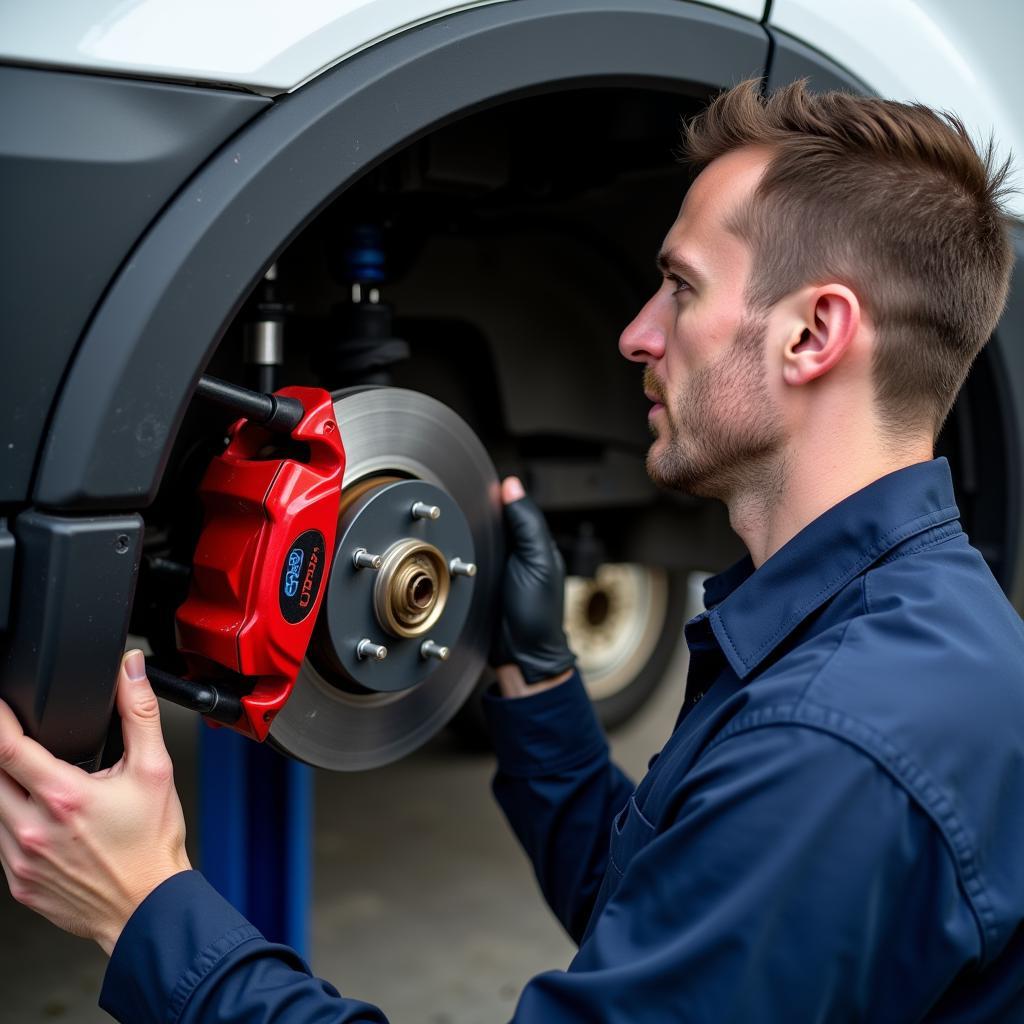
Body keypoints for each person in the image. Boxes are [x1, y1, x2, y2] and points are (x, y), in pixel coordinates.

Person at [1, 77, 1023, 1022]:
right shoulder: (902, 624)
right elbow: (661, 914)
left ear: (813, 335)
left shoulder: (836, 746)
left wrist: (145, 907)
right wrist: (535, 681)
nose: (632, 332)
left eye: (679, 286)